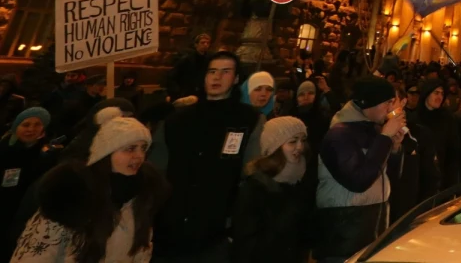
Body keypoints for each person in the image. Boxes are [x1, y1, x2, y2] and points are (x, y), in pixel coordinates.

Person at [150, 50, 264, 263]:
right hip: (170, 228)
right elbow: (157, 171)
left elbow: (250, 173)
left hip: (215, 232)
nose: (217, 77)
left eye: (225, 71)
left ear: (236, 78)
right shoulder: (177, 120)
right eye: (212, 71)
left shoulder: (248, 120)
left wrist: (235, 224)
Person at [11, 110, 165, 263]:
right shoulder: (69, 196)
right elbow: (34, 255)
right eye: (130, 149)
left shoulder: (141, 194)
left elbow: (142, 250)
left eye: (143, 148)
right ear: (106, 153)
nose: (139, 155)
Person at [313, 77, 406, 263]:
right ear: (370, 103)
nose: (390, 109)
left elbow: (386, 176)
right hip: (343, 235)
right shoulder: (339, 134)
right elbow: (358, 180)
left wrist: (394, 147)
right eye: (387, 103)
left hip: (371, 228)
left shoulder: (373, 130)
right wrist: (385, 137)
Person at [231, 117, 312, 263]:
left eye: (303, 140)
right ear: (275, 147)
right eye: (293, 141)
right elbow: (246, 242)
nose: (300, 146)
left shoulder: (302, 177)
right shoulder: (256, 186)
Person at [0, 107, 59, 260]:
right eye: (26, 125)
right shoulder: (5, 149)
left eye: (37, 124)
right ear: (16, 127)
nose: (31, 129)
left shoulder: (49, 154)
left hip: (30, 214)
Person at [412, 78, 459, 190]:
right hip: (418, 180)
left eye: (442, 94)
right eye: (436, 93)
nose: (439, 97)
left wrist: (451, 182)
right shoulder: (414, 118)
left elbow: (453, 150)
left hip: (441, 179)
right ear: (427, 94)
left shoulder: (447, 118)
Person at [167, 33, 212, 100]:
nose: (205, 45)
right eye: (202, 43)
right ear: (196, 44)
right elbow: (173, 75)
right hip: (188, 92)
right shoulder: (187, 59)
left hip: (203, 92)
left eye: (207, 43)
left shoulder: (210, 59)